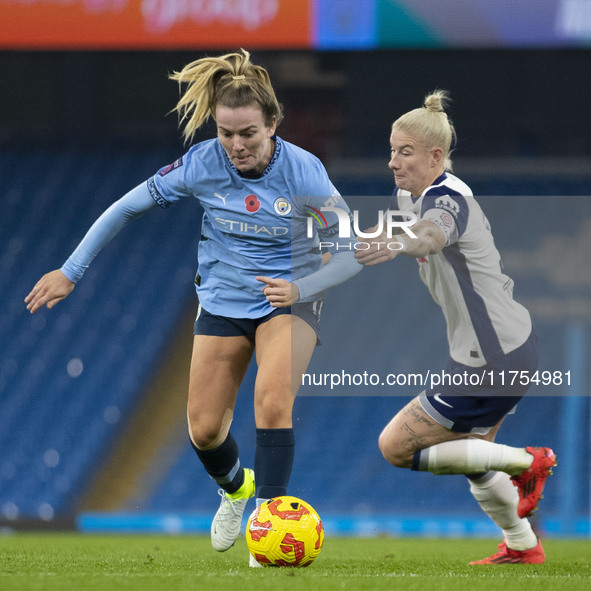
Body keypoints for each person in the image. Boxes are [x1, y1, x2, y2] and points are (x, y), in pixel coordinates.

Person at [25, 49, 361, 566]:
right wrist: (71, 270)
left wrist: (303, 287)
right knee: (204, 429)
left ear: (272, 124)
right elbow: (125, 207)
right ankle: (234, 489)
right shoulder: (202, 164)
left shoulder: (305, 173)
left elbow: (351, 251)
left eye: (247, 132)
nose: (235, 144)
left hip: (289, 298)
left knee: (272, 401)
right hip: (224, 299)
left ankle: (266, 531)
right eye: (226, 132)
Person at [355, 90, 556, 565]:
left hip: (492, 356)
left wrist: (402, 238)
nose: (392, 162)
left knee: (396, 447)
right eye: (391, 150)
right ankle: (523, 546)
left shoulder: (450, 198)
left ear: (435, 156)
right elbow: (406, 230)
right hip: (500, 348)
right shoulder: (408, 195)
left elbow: (431, 232)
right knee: (475, 456)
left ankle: (531, 462)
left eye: (404, 152)